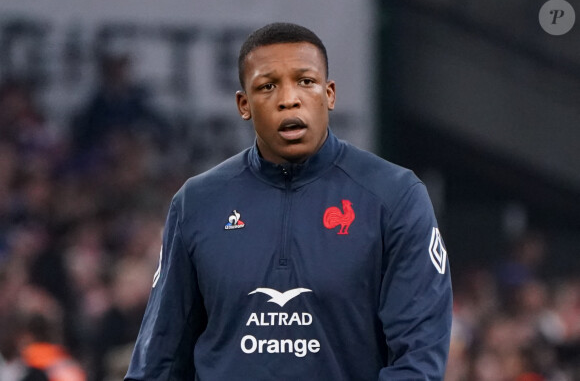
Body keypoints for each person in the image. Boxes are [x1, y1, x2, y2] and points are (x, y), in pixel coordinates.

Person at [125, 22, 452, 380]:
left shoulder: (395, 196)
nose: (289, 99)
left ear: (329, 94)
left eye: (305, 81)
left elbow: (418, 360)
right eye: (268, 86)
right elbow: (159, 360)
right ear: (243, 104)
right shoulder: (197, 204)